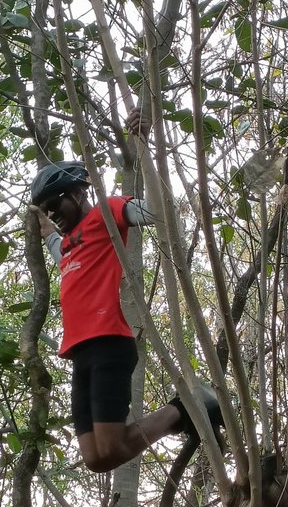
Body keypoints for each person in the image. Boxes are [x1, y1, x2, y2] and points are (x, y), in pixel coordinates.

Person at [29, 153, 223, 473]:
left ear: (78, 193)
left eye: (55, 203)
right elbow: (59, 253)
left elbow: (160, 212)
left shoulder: (109, 211)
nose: (53, 212)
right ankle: (185, 411)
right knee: (96, 459)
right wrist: (47, 228)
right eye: (46, 208)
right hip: (80, 354)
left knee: (112, 446)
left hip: (108, 343)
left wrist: (148, 146)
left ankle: (187, 406)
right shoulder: (68, 245)